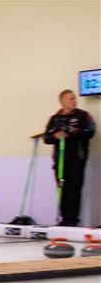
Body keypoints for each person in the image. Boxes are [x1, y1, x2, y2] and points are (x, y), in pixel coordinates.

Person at [43, 89, 96, 226]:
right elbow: (46, 138)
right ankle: (63, 219)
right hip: (60, 161)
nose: (74, 101)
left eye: (74, 98)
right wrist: (56, 136)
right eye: (70, 99)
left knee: (74, 190)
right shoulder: (55, 119)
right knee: (62, 189)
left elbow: (90, 132)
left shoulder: (83, 116)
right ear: (62, 102)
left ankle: (72, 221)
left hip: (77, 160)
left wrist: (74, 132)